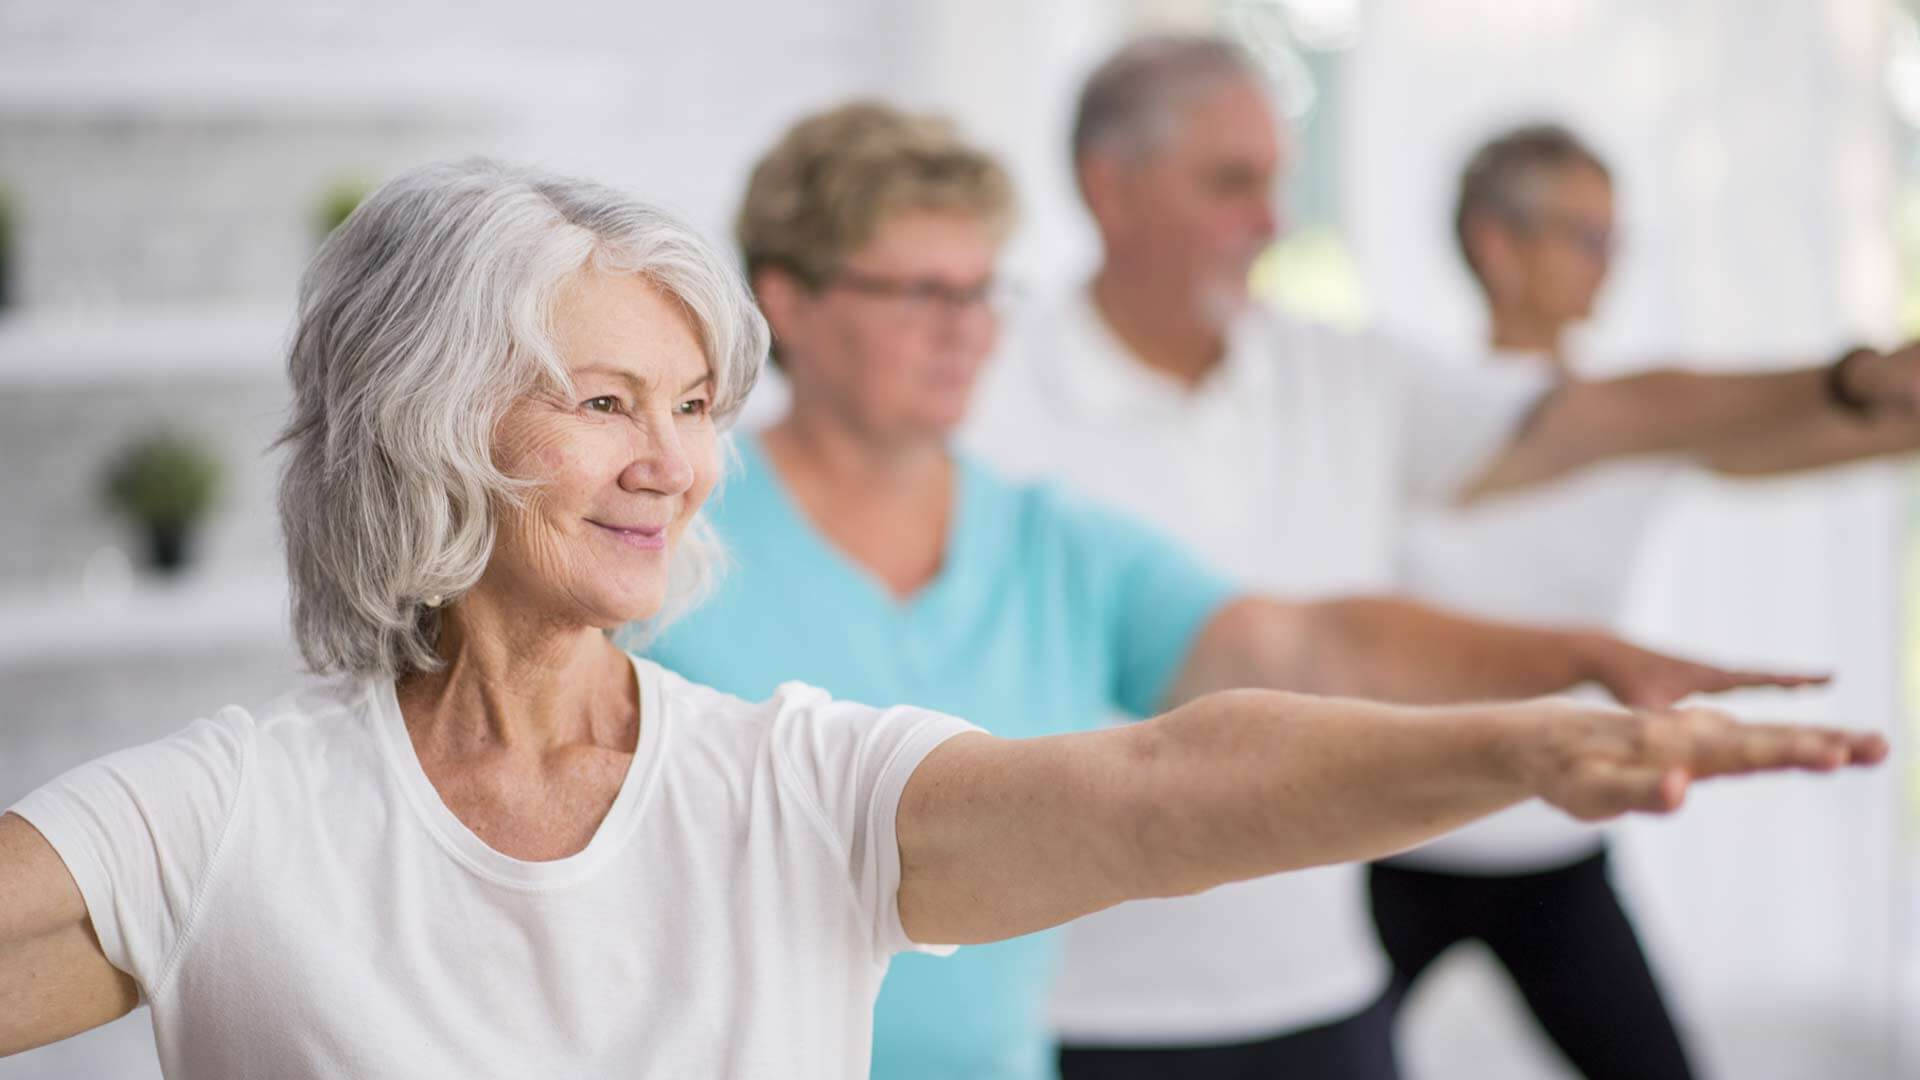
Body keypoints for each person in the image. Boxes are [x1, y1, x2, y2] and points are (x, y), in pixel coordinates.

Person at [0, 157, 1879, 1080]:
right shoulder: (237, 810)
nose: (672, 465)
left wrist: (1532, 742)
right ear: (423, 419)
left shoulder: (789, 789)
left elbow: (1166, 779)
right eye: (601, 402)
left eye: (692, 408)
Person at [634, 102, 1844, 1080]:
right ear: (787, 301)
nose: (965, 331)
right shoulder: (665, 537)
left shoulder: (1051, 541)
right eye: (919, 293)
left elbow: (1304, 643)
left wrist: (1574, 661)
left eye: (982, 291)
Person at [963, 35, 1920, 1080]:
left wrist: (1855, 384)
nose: (1272, 222)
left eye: (1277, 182)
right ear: (1111, 188)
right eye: (1232, 184)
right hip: (1078, 1002)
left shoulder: (1341, 374)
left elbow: (1612, 415)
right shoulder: (984, 387)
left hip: (1312, 985)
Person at [1367, 122, 1920, 1080]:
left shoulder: (1645, 422)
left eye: (1614, 239)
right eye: (1585, 237)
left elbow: (1843, 434)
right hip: (1398, 838)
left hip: (1554, 839)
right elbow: (1629, 413)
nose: (1606, 265)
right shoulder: (1414, 403)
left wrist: (1884, 393)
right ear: (1497, 245)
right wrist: (1857, 373)